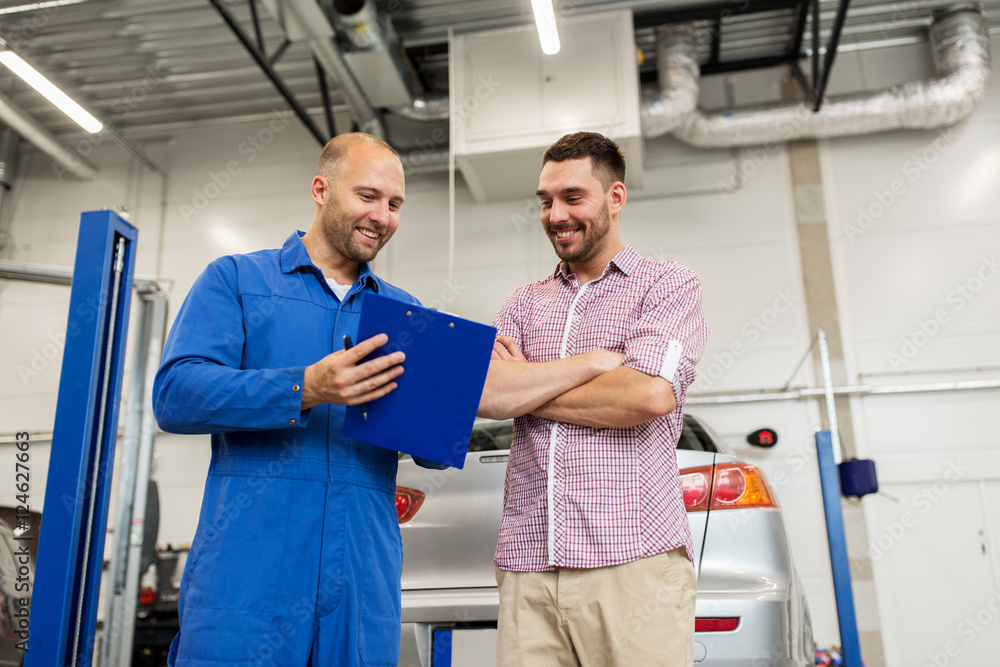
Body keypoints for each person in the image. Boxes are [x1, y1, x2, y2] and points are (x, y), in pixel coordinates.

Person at [153, 132, 424, 666]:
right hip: (249, 575)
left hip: (360, 580)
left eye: (395, 204)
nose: (382, 216)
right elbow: (176, 393)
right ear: (321, 189)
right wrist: (305, 387)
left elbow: (429, 437)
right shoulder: (235, 280)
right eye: (367, 196)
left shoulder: (404, 313)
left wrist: (468, 384)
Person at [477, 131, 709, 666]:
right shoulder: (523, 303)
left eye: (572, 197)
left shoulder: (667, 286)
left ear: (615, 197)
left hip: (631, 563)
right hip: (528, 566)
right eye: (545, 200)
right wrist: (592, 364)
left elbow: (648, 396)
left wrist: (526, 388)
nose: (555, 214)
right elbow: (485, 394)